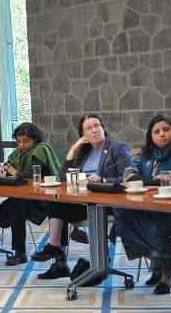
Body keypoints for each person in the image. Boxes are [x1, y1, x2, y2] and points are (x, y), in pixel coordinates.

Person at [114, 115, 171, 294]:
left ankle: (166, 276)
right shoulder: (147, 154)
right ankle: (155, 261)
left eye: (166, 130)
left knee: (157, 220)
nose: (162, 135)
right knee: (123, 212)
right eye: (156, 132)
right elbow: (129, 173)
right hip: (155, 206)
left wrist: (145, 181)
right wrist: (152, 180)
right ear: (151, 136)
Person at [34, 114, 132, 279]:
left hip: (105, 205)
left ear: (103, 128)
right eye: (89, 128)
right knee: (55, 201)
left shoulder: (118, 148)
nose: (94, 130)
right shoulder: (83, 152)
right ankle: (58, 259)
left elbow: (129, 176)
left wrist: (103, 179)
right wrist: (72, 151)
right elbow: (63, 178)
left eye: (97, 126)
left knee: (57, 208)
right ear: (83, 135)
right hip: (82, 202)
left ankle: (55, 250)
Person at [0, 122, 60, 266]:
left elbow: (34, 174)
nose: (22, 144)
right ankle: (18, 251)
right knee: (16, 205)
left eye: (26, 141)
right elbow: (7, 165)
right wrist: (4, 170)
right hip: (25, 198)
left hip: (44, 199)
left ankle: (18, 251)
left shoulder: (41, 149)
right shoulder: (19, 152)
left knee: (14, 207)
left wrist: (15, 172)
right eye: (19, 141)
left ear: (35, 139)